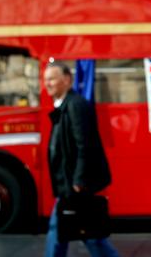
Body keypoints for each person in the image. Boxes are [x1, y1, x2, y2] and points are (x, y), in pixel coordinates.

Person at [43, 62, 119, 257]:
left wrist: (79, 180)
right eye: (46, 79)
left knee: (77, 233)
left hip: (75, 186)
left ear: (67, 80)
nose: (47, 84)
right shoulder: (64, 106)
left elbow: (84, 144)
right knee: (80, 234)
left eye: (52, 78)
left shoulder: (76, 105)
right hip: (68, 184)